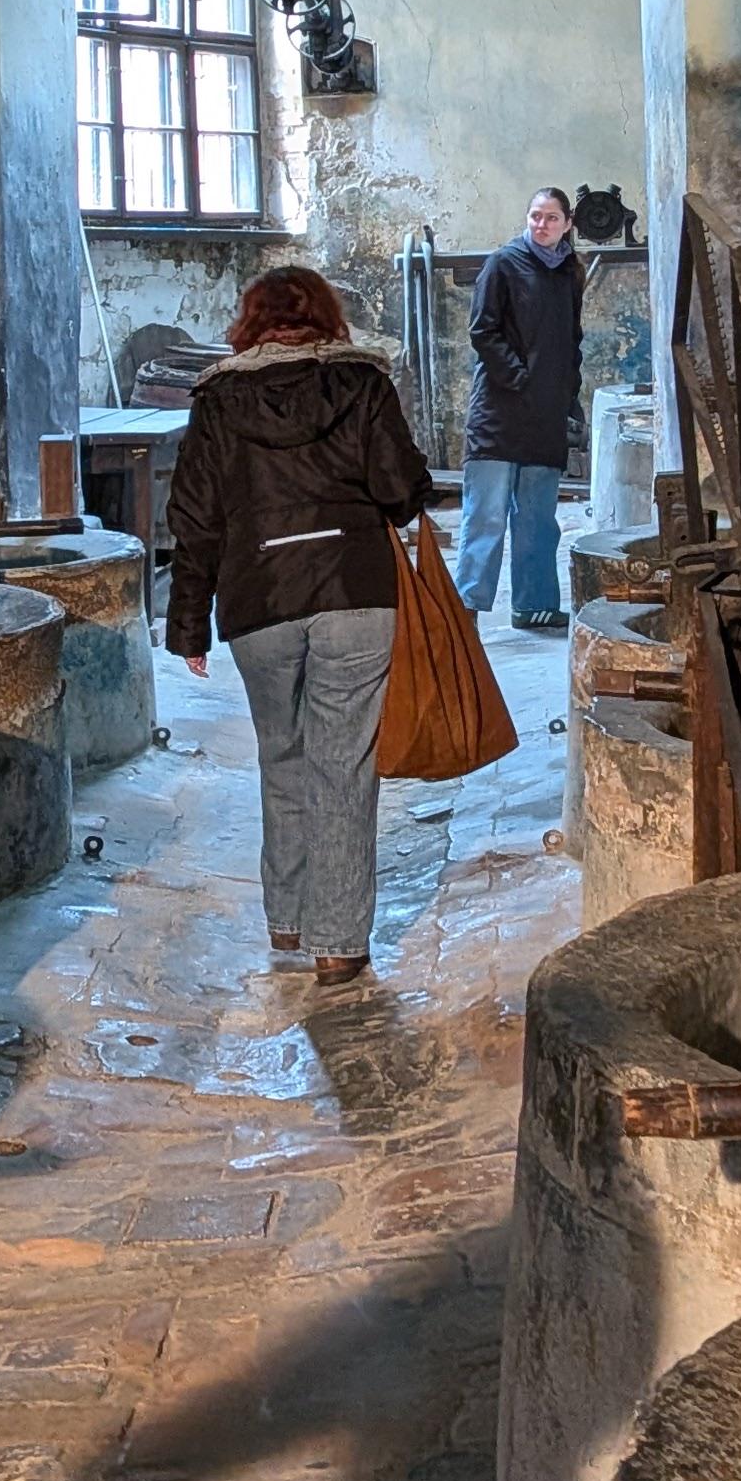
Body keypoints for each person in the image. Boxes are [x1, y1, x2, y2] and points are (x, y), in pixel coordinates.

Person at [164, 264, 433, 987]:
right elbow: (402, 492)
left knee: (282, 755)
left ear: (250, 324)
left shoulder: (217, 399)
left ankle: (287, 920)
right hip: (354, 592)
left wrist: (188, 625)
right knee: (343, 768)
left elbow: (194, 519)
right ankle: (337, 944)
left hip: (259, 599)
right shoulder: (362, 383)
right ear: (326, 317)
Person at [459, 187, 584, 631]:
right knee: (486, 516)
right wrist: (519, 378)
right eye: (535, 216)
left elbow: (571, 339)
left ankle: (534, 604)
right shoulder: (503, 264)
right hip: (499, 410)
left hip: (545, 414)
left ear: (567, 224)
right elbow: (483, 331)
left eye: (551, 218)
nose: (541, 225)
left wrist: (569, 395)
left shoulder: (569, 272)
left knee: (537, 518)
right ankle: (466, 609)